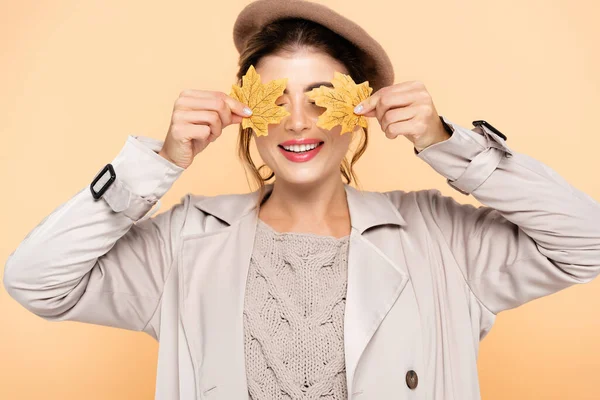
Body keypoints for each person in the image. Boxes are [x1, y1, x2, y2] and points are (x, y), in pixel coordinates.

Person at [4, 0, 600, 399]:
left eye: (321, 97)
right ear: (243, 110)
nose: (296, 122)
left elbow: (588, 242)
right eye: (273, 98)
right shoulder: (185, 242)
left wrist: (450, 146)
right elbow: (36, 281)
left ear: (361, 110)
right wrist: (154, 164)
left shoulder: (440, 236)